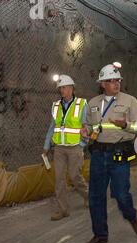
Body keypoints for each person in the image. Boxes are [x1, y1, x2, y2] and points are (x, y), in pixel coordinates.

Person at [81, 62, 137, 243]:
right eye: (111, 81)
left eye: (118, 80)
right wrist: (86, 131)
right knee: (96, 196)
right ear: (102, 83)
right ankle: (100, 234)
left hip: (119, 155)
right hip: (99, 155)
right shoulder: (92, 103)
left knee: (120, 194)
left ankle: (131, 217)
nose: (116, 83)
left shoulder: (129, 100)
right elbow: (92, 127)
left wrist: (126, 125)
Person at [43, 75, 88, 221]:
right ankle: (63, 210)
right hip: (59, 149)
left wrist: (82, 144)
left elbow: (86, 127)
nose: (62, 90)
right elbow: (52, 127)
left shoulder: (81, 104)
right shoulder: (56, 106)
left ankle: (88, 196)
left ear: (71, 88)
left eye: (64, 87)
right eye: (60, 88)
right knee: (59, 179)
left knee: (75, 176)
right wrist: (46, 146)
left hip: (75, 147)